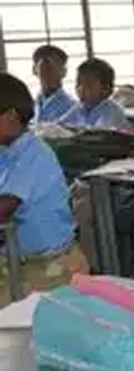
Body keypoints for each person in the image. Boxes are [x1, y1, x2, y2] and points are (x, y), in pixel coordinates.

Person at [0, 73, 87, 305]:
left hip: (52, 267)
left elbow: (4, 209)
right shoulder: (4, 152)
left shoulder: (33, 154)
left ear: (11, 117)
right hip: (17, 262)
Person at [59, 58, 128, 129]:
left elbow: (101, 132)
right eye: (78, 83)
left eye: (88, 85)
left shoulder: (112, 110)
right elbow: (60, 125)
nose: (81, 89)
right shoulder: (80, 107)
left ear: (105, 89)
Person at [31, 45, 75, 123]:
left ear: (64, 71)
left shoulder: (73, 107)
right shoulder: (30, 107)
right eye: (44, 68)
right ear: (34, 70)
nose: (49, 73)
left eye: (55, 64)